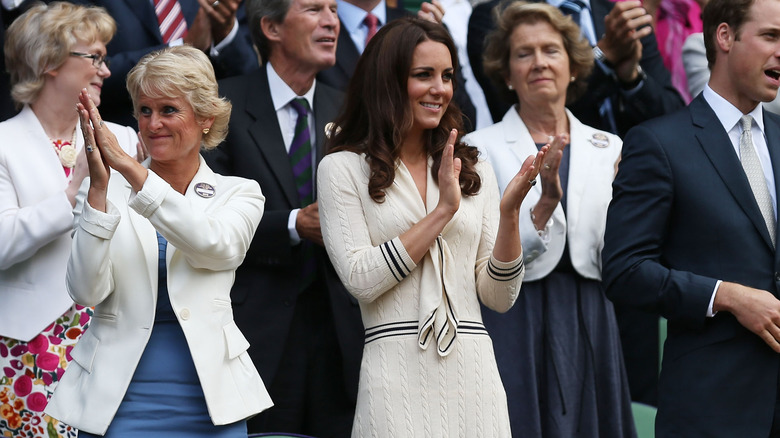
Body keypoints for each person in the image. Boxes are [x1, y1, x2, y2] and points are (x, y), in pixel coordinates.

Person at [318, 17, 543, 437]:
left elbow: (498, 296)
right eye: (424, 75)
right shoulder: (342, 168)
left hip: (475, 374)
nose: (440, 88)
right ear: (387, 80)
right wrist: (441, 212)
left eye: (447, 76)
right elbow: (360, 278)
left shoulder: (472, 165)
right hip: (393, 375)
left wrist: (510, 215)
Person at [44, 45, 272, 437]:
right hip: (118, 402)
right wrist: (98, 192)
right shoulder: (103, 188)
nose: (153, 124)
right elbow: (85, 291)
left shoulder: (240, 192)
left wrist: (132, 171)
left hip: (211, 406)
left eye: (168, 110)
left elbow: (216, 248)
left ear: (206, 117)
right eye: (144, 111)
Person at [602, 0, 780, 435]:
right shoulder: (659, 143)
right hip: (710, 409)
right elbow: (624, 271)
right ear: (724, 36)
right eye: (772, 37)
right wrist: (728, 296)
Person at [463, 3, 634, 437]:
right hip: (511, 318)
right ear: (505, 73)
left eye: (550, 50)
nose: (539, 61)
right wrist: (544, 207)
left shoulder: (610, 147)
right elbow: (476, 252)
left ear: (574, 67)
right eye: (523, 53)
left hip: (593, 317)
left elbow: (622, 250)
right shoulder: (476, 149)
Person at [202, 0, 361, 435]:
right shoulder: (225, 104)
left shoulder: (350, 110)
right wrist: (292, 225)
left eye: (333, 9)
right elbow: (204, 216)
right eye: (314, 9)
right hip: (256, 329)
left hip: (342, 336)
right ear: (271, 27)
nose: (331, 20)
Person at [0, 3, 139, 436]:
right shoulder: (3, 143)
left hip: (117, 346)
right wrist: (74, 186)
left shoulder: (126, 140)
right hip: (31, 353)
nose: (106, 71)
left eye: (105, 57)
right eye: (94, 57)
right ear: (48, 64)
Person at [73, 0, 258, 127]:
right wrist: (182, 47)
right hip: (126, 144)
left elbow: (249, 79)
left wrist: (224, 32)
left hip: (210, 150)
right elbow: (72, 69)